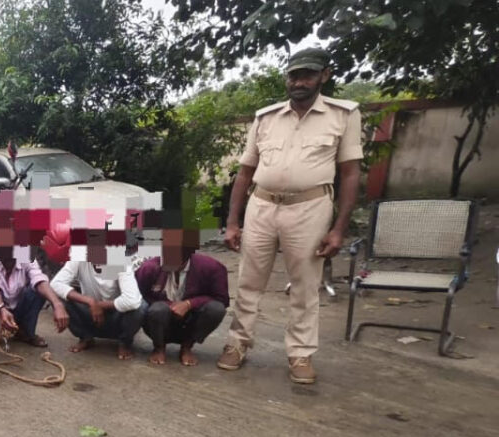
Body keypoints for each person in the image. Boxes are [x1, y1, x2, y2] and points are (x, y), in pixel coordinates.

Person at [218, 47, 363, 384]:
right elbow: (244, 172)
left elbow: (351, 174)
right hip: (262, 205)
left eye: (307, 75)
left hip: (309, 207)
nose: (299, 82)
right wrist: (233, 222)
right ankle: (238, 343)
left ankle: (300, 354)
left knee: (305, 284)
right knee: (249, 280)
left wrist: (339, 229)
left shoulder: (343, 115)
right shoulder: (266, 118)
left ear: (324, 75)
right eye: (294, 76)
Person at [134, 228, 229, 366]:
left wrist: (190, 304)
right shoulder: (149, 268)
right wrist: (168, 305)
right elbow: (138, 297)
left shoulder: (212, 268)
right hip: (159, 320)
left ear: (187, 257)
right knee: (158, 309)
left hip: (191, 321)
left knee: (216, 309)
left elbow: (222, 300)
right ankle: (159, 347)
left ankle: (187, 346)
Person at [50, 250, 147, 359]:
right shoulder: (79, 256)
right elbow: (55, 284)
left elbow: (132, 300)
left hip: (117, 316)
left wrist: (99, 305)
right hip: (90, 314)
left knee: (140, 307)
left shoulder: (120, 261)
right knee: (57, 298)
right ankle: (85, 337)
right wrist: (90, 302)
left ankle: (124, 342)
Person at [0, 242, 69, 351]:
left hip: (17, 306)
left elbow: (39, 278)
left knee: (38, 291)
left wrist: (57, 304)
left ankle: (26, 332)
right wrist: (1, 309)